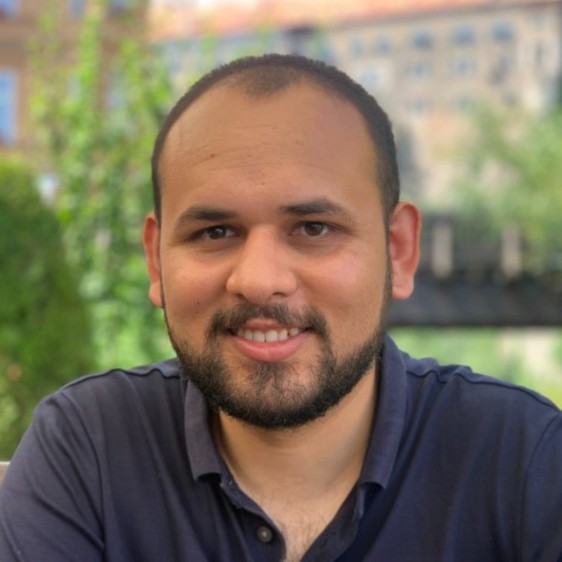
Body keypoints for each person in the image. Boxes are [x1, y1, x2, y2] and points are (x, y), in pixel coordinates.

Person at [1, 53, 561, 562]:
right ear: (156, 261)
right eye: (215, 232)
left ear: (398, 250)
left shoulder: (525, 461)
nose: (259, 281)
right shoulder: (88, 451)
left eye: (313, 228)